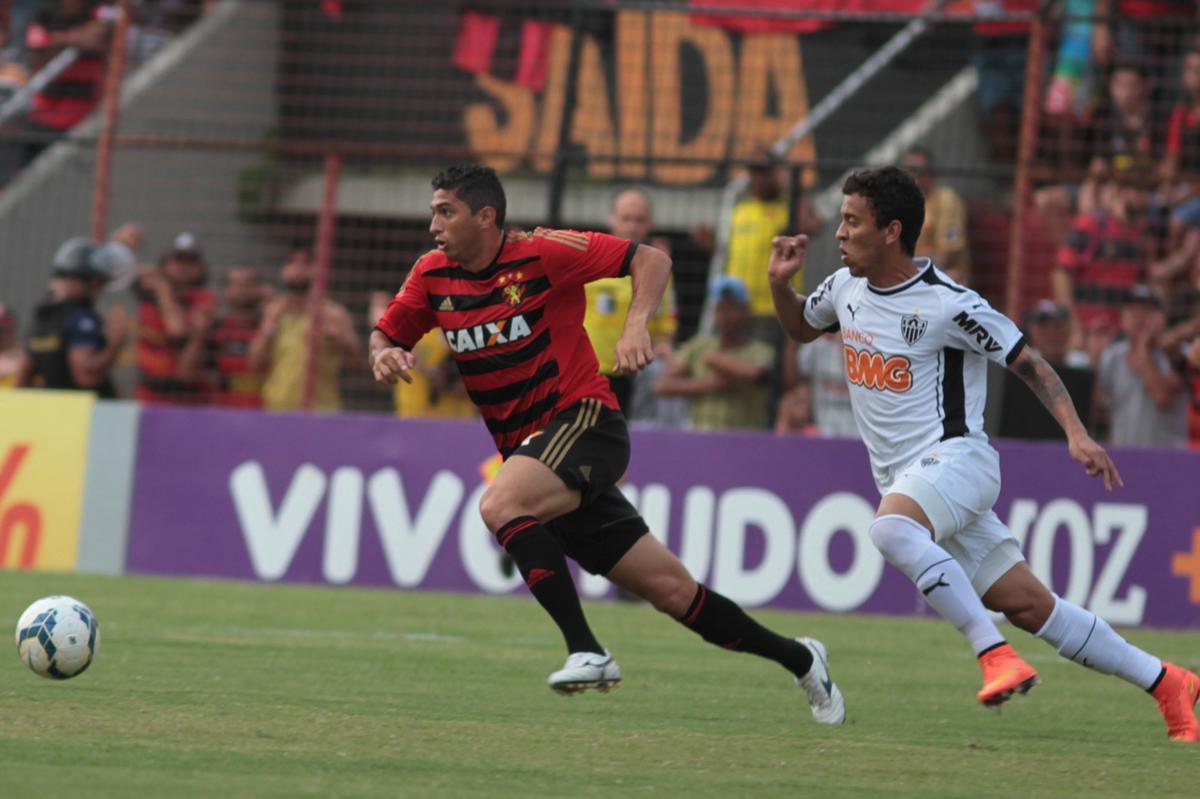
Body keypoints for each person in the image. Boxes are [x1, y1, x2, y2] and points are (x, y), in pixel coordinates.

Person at [369, 164, 844, 724]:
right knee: (674, 593)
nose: (434, 225)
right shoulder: (431, 276)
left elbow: (651, 258)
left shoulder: (543, 251)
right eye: (433, 212)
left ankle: (586, 650)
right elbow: (389, 330)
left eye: (445, 211)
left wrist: (636, 324)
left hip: (586, 422)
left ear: (485, 216)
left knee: (500, 503)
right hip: (540, 456)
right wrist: (382, 352)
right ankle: (802, 659)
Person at [768, 165, 1199, 741]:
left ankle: (993, 653)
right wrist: (779, 283)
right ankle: (1167, 681)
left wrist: (1076, 432)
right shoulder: (845, 289)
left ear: (892, 230)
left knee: (890, 532)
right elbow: (800, 327)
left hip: (958, 462)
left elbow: (1029, 362)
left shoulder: (950, 304)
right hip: (914, 481)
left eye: (852, 221)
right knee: (1029, 604)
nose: (839, 233)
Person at [583, 187, 677, 415]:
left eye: (639, 220)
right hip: (587, 374)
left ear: (650, 223)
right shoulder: (587, 258)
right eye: (626, 218)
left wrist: (664, 345)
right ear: (612, 219)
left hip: (633, 375)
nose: (632, 226)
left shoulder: (658, 270)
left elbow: (665, 325)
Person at [653, 275, 774, 432]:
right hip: (702, 438)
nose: (726, 315)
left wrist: (717, 359)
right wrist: (708, 384)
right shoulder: (699, 346)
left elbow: (758, 374)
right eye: (720, 309)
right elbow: (662, 386)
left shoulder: (760, 350)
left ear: (746, 311)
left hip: (745, 440)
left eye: (732, 307)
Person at [250, 246, 361, 412]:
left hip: (322, 411)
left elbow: (356, 364)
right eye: (292, 262)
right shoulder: (274, 312)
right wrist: (268, 331)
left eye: (307, 263)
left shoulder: (333, 314)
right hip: (277, 409)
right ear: (283, 270)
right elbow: (254, 363)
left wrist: (338, 338)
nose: (299, 269)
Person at [19, 236, 127, 396]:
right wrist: (116, 343)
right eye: (97, 283)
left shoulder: (43, 317)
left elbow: (24, 377)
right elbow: (86, 377)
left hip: (55, 411)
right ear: (81, 280)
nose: (99, 291)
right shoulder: (80, 318)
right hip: (86, 414)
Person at [1095, 284, 1189, 448]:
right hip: (1124, 455)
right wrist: (1092, 358)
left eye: (1146, 311)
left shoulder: (1176, 354)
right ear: (1122, 317)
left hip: (1167, 459)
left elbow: (1162, 397)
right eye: (1132, 311)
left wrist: (1143, 347)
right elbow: (1101, 408)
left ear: (1162, 318)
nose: (1139, 317)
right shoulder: (1112, 356)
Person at [134, 231, 216, 404]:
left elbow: (177, 331)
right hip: (149, 394)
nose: (184, 266)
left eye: (191, 261)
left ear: (200, 268)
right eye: (178, 259)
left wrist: (163, 290)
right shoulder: (146, 292)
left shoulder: (203, 299)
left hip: (188, 396)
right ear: (164, 264)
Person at [997, 299, 1095, 441]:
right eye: (1044, 326)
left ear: (1068, 329)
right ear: (1032, 329)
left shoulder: (1083, 365)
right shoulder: (1018, 366)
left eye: (1057, 326)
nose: (1051, 333)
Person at [182, 265, 268, 409]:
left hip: (268, 415)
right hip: (224, 415)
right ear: (226, 291)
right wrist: (199, 334)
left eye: (249, 283)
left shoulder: (275, 328)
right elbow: (186, 374)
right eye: (237, 284)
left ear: (261, 290)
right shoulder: (215, 330)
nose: (243, 289)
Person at [901, 147, 972, 285]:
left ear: (930, 174)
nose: (911, 177)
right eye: (906, 171)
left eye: (916, 171)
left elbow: (949, 255)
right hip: (907, 275)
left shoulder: (946, 200)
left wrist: (903, 265)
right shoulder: (902, 201)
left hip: (938, 278)